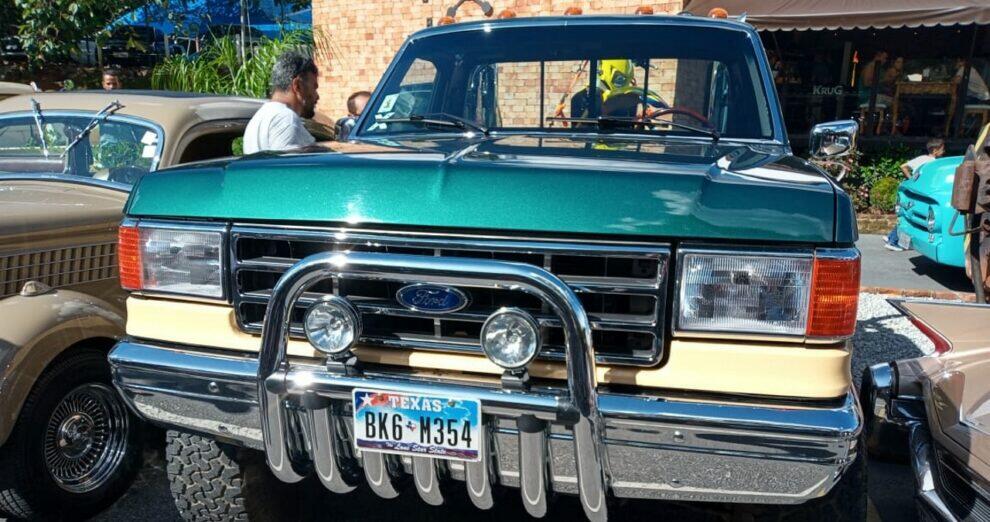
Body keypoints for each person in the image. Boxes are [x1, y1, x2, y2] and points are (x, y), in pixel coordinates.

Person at [243, 51, 319, 154]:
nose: (317, 96)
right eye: (314, 87)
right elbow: (288, 168)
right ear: (297, 85)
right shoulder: (286, 119)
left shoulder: (258, 118)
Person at [884, 137, 946, 251]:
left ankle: (891, 237)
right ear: (935, 150)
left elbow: (903, 166)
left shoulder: (922, 158)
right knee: (913, 219)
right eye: (942, 149)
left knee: (907, 216)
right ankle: (894, 242)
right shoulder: (934, 164)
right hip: (924, 193)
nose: (944, 151)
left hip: (913, 190)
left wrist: (911, 179)